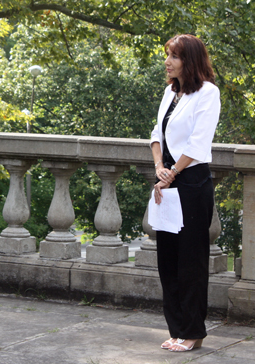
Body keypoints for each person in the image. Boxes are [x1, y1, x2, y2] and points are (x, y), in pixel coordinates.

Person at [150, 34, 220, 352]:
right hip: (168, 180)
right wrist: (158, 169)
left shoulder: (208, 93)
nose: (167, 61)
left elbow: (197, 142)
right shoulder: (170, 92)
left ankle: (193, 332)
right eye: (168, 55)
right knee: (168, 260)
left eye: (174, 56)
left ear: (189, 60)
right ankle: (176, 329)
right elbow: (156, 134)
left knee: (191, 262)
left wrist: (172, 173)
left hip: (191, 183)